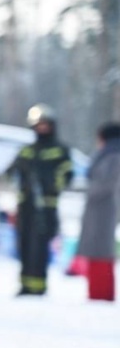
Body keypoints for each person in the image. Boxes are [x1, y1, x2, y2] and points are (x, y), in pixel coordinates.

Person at [6, 104, 74, 296]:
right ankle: (25, 284)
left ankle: (38, 286)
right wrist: (19, 177)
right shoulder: (27, 151)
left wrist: (51, 186)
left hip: (46, 206)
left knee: (38, 247)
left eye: (45, 124)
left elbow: (66, 174)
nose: (42, 128)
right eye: (38, 125)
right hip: (25, 205)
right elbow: (10, 172)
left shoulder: (60, 150)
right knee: (24, 244)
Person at [75, 122, 120, 301]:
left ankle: (101, 294)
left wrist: (90, 190)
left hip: (104, 211)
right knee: (96, 252)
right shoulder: (109, 155)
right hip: (99, 211)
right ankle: (97, 293)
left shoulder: (113, 156)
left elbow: (107, 184)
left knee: (101, 252)